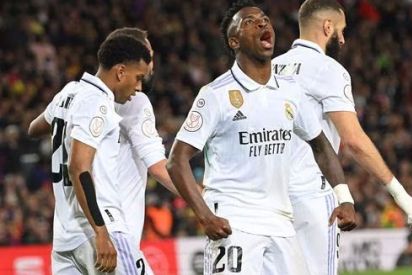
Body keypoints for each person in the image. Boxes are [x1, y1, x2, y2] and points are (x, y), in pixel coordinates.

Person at [166, 1, 355, 274]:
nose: (262, 23)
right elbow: (177, 160)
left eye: (264, 18)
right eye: (249, 22)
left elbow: (321, 145)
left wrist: (344, 197)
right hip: (235, 223)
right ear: (234, 42)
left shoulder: (290, 91)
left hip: (281, 222)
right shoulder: (215, 95)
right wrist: (205, 216)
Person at [272, 0, 412, 274]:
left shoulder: (266, 69)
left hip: (267, 196)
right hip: (310, 195)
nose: (342, 38)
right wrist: (400, 195)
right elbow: (353, 140)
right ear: (327, 26)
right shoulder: (328, 69)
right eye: (341, 30)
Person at [28, 34, 151, 274]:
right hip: (99, 232)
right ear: (120, 72)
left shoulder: (69, 93)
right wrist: (101, 232)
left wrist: (64, 123)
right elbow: (79, 168)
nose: (138, 88)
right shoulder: (98, 102)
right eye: (138, 78)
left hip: (64, 240)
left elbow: (34, 128)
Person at [107, 27, 180, 275]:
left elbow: (36, 127)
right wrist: (202, 196)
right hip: (117, 235)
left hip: (81, 234)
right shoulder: (135, 103)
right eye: (147, 52)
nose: (151, 59)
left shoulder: (76, 97)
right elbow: (159, 168)